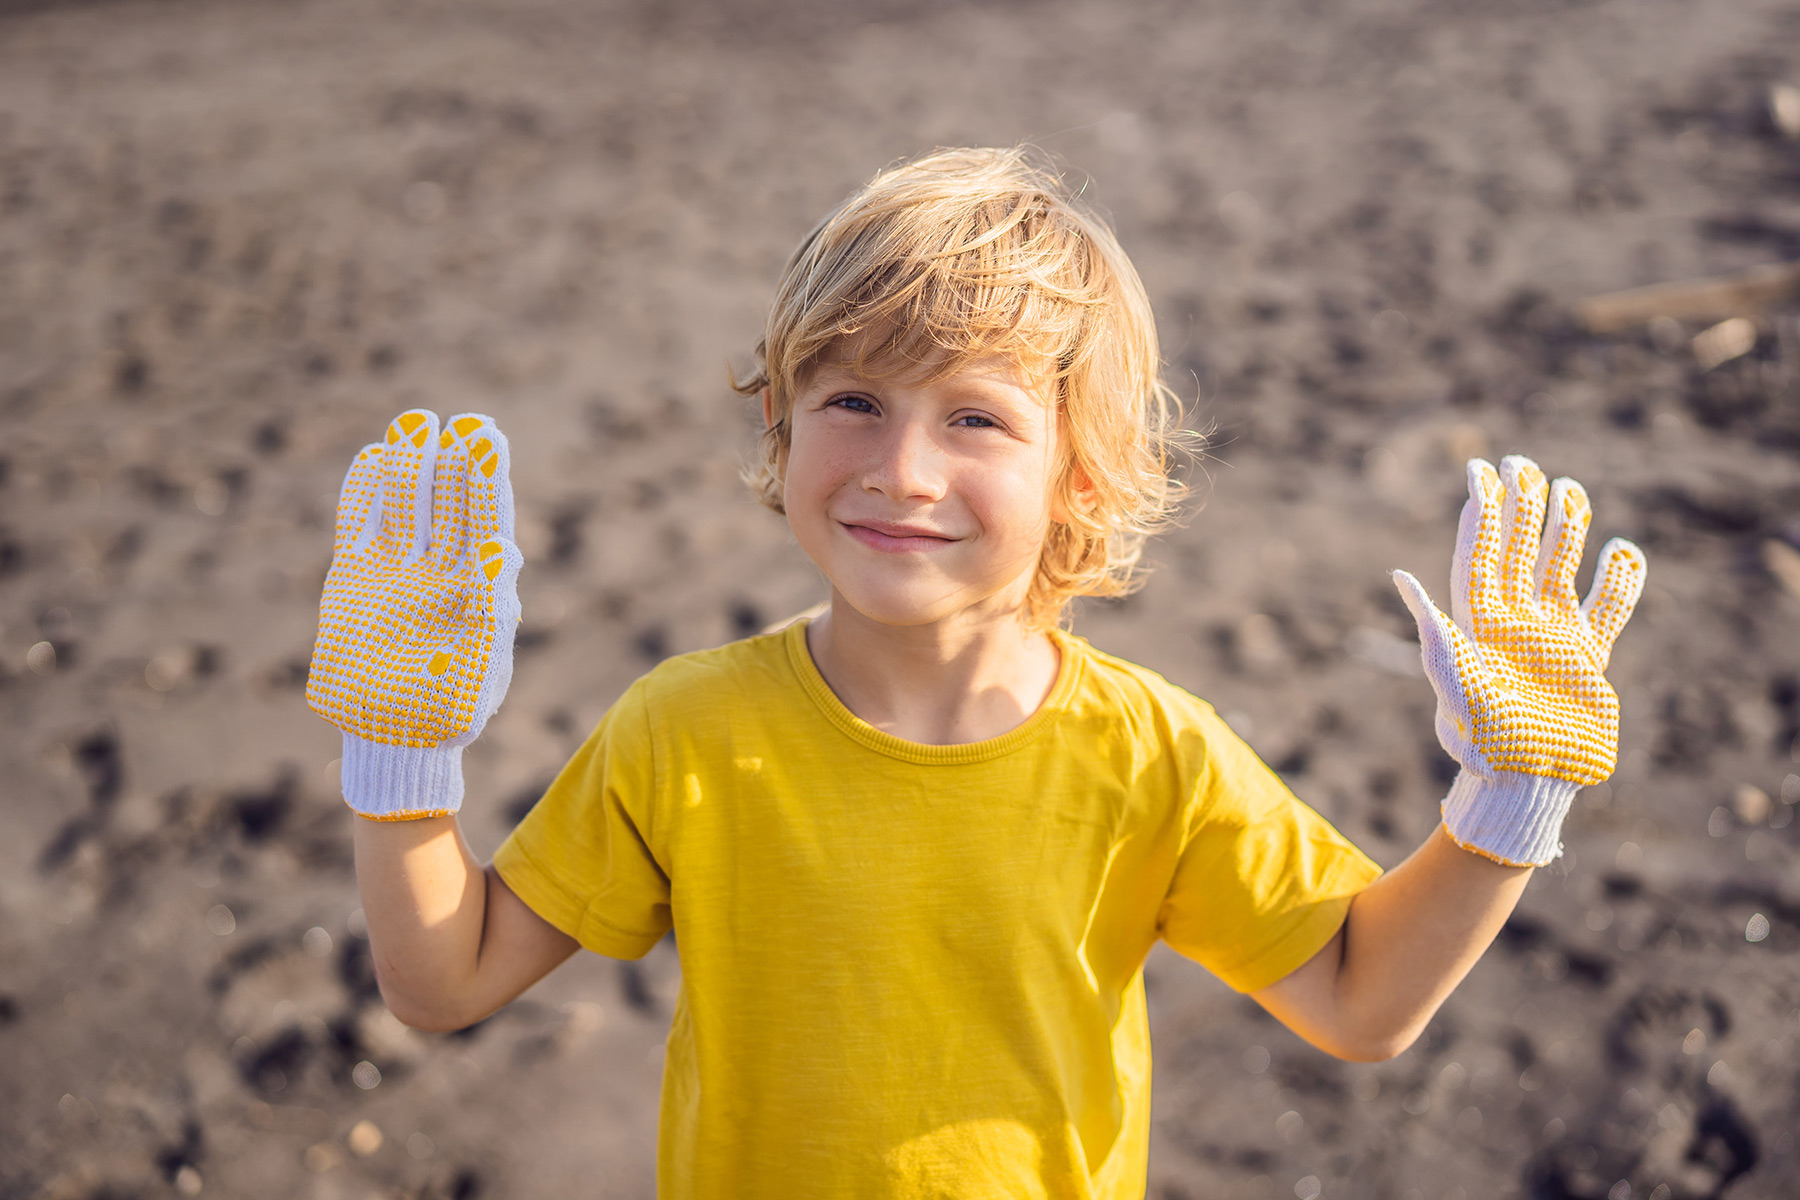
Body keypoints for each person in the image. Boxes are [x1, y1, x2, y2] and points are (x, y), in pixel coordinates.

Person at [305, 147, 1647, 1198]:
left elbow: (1362, 1001)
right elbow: (446, 982)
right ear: (779, 427)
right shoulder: (688, 730)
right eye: (854, 403)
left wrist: (1508, 803)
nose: (903, 470)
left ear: (1084, 471)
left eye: (975, 419)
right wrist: (402, 762)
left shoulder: (1153, 757)